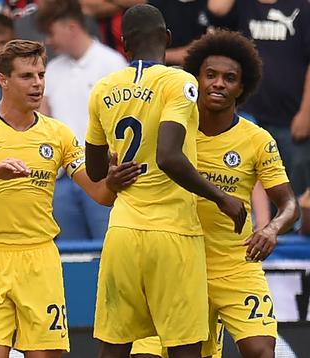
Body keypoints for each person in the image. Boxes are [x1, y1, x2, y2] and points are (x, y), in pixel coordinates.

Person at [0, 39, 138, 358]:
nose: (38, 83)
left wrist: (112, 180)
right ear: (3, 80)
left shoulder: (59, 134)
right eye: (27, 76)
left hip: (39, 260)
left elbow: (100, 195)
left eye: (41, 75)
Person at [84, 4, 247, 358]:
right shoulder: (179, 82)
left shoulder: (103, 87)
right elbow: (169, 156)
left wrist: (113, 175)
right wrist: (222, 197)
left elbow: (96, 172)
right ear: (168, 38)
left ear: (124, 44)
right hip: (172, 232)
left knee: (114, 346)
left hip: (123, 232)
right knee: (183, 347)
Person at [130, 30, 300, 358]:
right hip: (176, 263)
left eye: (229, 78)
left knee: (261, 349)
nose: (218, 84)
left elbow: (290, 204)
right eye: (210, 75)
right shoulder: (171, 130)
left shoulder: (256, 138)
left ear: (242, 86)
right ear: (196, 79)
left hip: (235, 263)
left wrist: (271, 228)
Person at [207, 0, 310, 234]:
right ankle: (259, 231)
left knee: (291, 196)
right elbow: (216, 9)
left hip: (290, 120)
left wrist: (306, 112)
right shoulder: (242, 6)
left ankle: (293, 258)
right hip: (246, 114)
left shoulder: (301, 8)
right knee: (247, 182)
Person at [37, 0, 127, 241]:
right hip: (63, 179)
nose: (49, 41)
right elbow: (42, 119)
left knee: (107, 247)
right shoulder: (52, 70)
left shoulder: (113, 64)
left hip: (102, 172)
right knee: (70, 255)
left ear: (72, 27)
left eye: (51, 33)